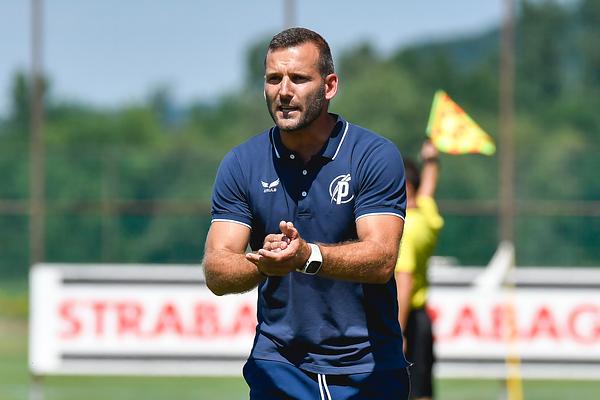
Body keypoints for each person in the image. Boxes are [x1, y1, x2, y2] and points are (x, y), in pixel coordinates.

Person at [203, 27, 410, 399]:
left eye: (298, 78)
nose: (284, 91)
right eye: (273, 79)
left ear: (329, 86)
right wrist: (264, 263)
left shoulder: (373, 155)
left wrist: (306, 256)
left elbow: (382, 258)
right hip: (278, 365)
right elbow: (217, 270)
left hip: (368, 368)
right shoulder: (242, 162)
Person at [395, 140, 444, 400]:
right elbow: (427, 190)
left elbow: (405, 282)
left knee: (409, 392)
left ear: (405, 187)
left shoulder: (406, 231)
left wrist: (398, 331)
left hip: (406, 319)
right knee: (422, 388)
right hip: (421, 318)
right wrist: (431, 161)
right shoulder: (425, 214)